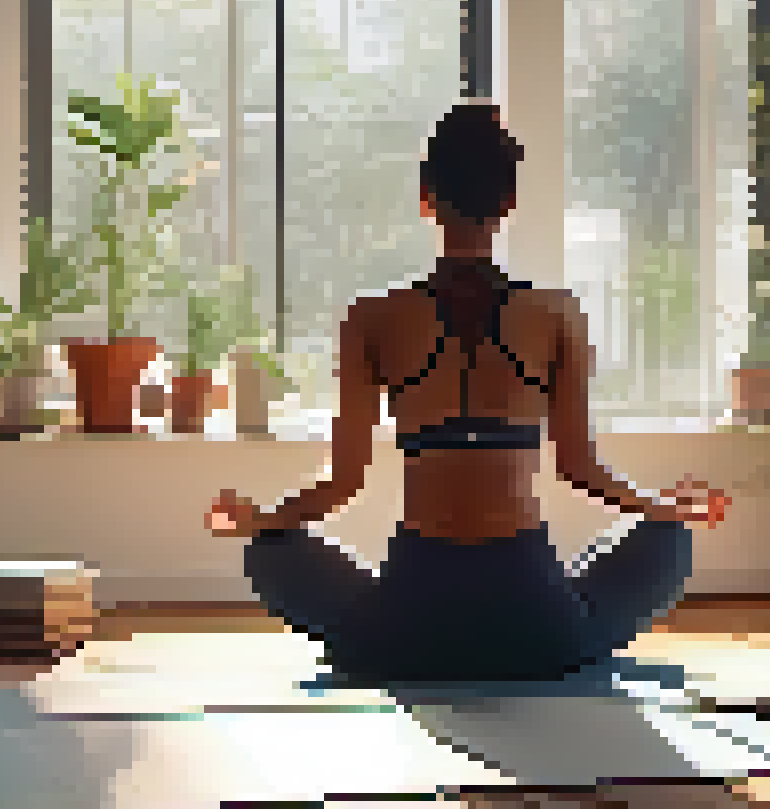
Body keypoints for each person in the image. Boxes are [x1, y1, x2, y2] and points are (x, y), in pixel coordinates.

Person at [205, 102, 732, 684]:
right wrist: (663, 506)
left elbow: (341, 484)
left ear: (426, 198)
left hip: (408, 625)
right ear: (508, 202)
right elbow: (582, 470)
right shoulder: (557, 315)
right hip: (535, 625)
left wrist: (259, 517)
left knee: (268, 550)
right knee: (668, 542)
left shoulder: (373, 319)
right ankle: (568, 629)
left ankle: (379, 644)